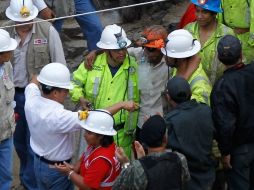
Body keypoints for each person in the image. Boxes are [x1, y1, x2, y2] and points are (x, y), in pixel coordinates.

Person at [25, 62, 138, 190]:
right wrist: (122, 104)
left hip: (37, 163)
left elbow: (33, 82)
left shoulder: (31, 99)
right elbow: (96, 116)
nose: (67, 93)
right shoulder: (61, 117)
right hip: (58, 171)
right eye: (65, 90)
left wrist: (42, 78)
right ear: (55, 93)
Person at [2, 0, 66, 188]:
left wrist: (57, 99)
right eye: (20, 21)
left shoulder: (48, 31)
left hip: (39, 98)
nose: (24, 23)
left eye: (28, 19)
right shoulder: (4, 33)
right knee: (20, 143)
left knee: (35, 144)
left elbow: (60, 65)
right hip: (11, 97)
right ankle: (26, 179)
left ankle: (32, 185)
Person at [70, 24, 139, 158]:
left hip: (123, 135)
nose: (122, 53)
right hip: (94, 133)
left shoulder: (134, 66)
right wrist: (80, 98)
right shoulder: (91, 64)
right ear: (106, 50)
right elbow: (73, 83)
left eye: (124, 48)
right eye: (117, 50)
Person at [211, 35, 254, 190]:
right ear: (241, 54)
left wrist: (225, 152)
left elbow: (225, 124)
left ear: (219, 58)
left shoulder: (222, 86)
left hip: (239, 151)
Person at [164, 76, 215, 190]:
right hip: (208, 175)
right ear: (191, 92)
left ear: (168, 97)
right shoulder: (206, 110)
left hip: (186, 180)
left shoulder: (170, 121)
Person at [113, 115, 190, 190]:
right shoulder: (180, 159)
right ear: (165, 139)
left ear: (145, 143)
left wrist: (125, 164)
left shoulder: (137, 168)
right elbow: (184, 180)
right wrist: (143, 160)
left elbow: (119, 186)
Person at [55, 110, 121, 190]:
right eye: (86, 131)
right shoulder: (96, 145)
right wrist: (71, 168)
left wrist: (69, 172)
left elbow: (88, 186)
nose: (84, 135)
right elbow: (82, 162)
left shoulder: (101, 159)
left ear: (101, 136)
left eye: (89, 133)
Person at [185, 0, 234, 85]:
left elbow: (235, 66)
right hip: (193, 88)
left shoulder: (226, 34)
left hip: (218, 88)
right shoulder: (187, 31)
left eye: (204, 12)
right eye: (197, 11)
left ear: (214, 14)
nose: (199, 16)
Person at [161, 29, 212, 105]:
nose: (165, 57)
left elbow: (196, 114)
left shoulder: (200, 86)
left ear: (181, 58)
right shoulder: (177, 69)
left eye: (169, 55)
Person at [35, 0, 103, 51]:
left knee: (95, 27)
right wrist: (42, 7)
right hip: (53, 2)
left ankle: (98, 63)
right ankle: (48, 67)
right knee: (48, 36)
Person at [0, 29, 18, 190]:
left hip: (6, 132)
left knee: (6, 173)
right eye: (8, 50)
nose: (12, 52)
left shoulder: (7, 66)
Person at [218, 0, 254, 64]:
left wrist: (252, 41)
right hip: (228, 36)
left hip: (247, 38)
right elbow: (220, 13)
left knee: (247, 65)